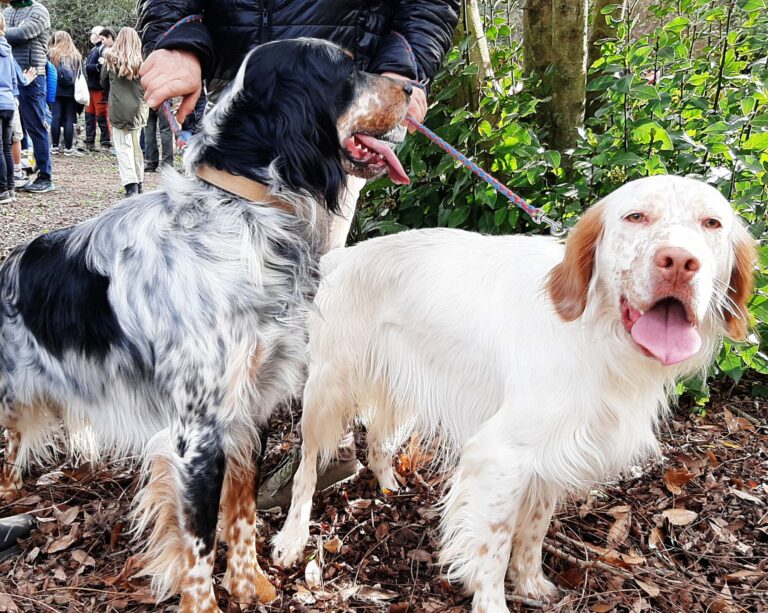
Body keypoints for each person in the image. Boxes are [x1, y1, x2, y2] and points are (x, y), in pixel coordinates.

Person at [137, 0, 460, 503]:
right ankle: (218, 468)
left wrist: (403, 66)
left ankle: (321, 451)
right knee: (218, 328)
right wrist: (181, 40)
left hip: (330, 105)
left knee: (302, 310)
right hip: (239, 108)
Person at [2, 0, 53, 193]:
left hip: (32, 77)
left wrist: (3, 31)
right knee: (14, 130)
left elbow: (22, 34)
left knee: (36, 126)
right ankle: (18, 172)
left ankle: (45, 175)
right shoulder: (7, 11)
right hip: (9, 79)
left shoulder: (38, 10)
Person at [101, 27, 147, 197]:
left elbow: (103, 82)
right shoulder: (143, 61)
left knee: (123, 147)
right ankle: (140, 182)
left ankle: (131, 185)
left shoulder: (110, 61)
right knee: (136, 147)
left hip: (119, 108)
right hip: (139, 109)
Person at [47, 31, 81, 157]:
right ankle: (68, 147)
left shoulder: (51, 54)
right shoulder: (76, 55)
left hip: (55, 90)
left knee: (56, 117)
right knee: (69, 118)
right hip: (71, 91)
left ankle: (55, 146)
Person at [84, 25, 111, 152]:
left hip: (99, 88)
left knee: (101, 115)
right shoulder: (94, 49)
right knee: (89, 115)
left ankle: (105, 142)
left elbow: (101, 67)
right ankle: (90, 141)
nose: (91, 36)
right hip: (91, 87)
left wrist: (88, 67)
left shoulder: (104, 49)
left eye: (93, 34)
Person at [0, 13, 16, 202]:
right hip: (8, 102)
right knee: (6, 146)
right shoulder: (7, 48)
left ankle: (2, 190)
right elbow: (13, 78)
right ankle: (10, 187)